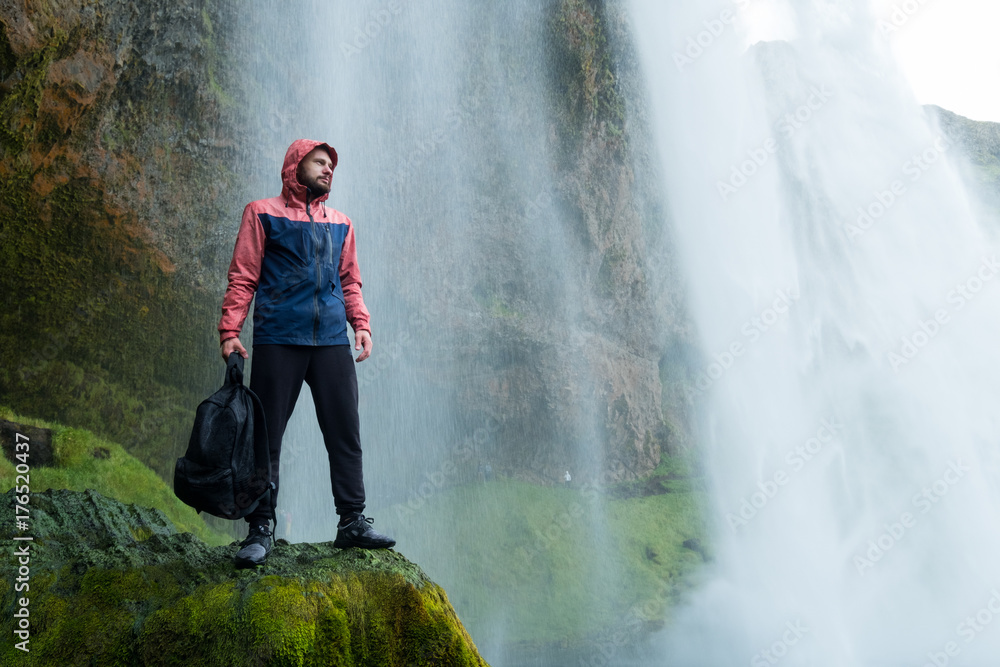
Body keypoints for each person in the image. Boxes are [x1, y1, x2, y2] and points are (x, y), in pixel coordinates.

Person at [218, 138, 395, 567]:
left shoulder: (342, 222)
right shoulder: (261, 213)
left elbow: (350, 281)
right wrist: (230, 329)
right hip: (280, 336)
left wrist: (362, 325)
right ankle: (261, 527)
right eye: (319, 162)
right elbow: (244, 276)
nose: (328, 169)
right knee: (266, 438)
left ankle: (352, 520)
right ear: (295, 165)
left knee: (345, 433)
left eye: (332, 165)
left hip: (332, 340)